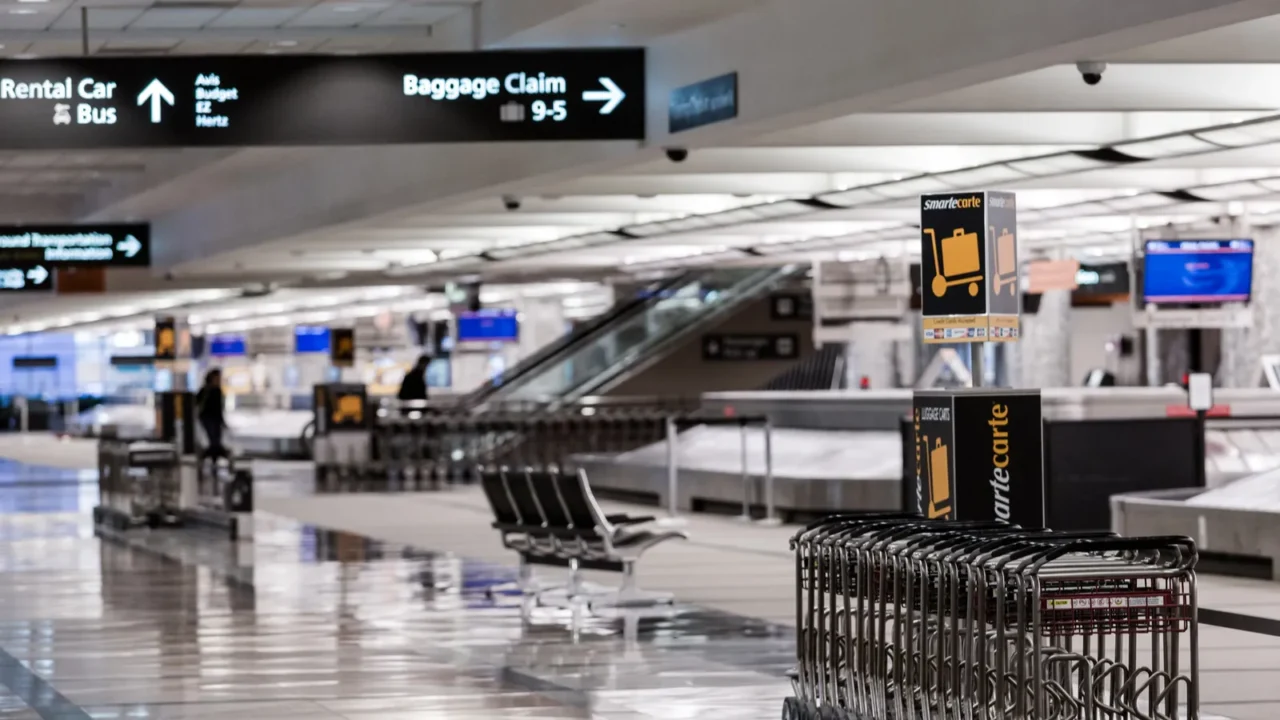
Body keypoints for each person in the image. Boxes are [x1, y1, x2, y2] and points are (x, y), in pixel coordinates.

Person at [195, 368, 229, 469]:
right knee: (213, 439)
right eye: (217, 378)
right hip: (207, 418)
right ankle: (212, 455)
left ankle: (213, 457)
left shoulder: (218, 390)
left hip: (216, 419)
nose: (218, 380)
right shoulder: (206, 390)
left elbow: (219, 408)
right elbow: (196, 402)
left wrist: (222, 421)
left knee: (216, 439)